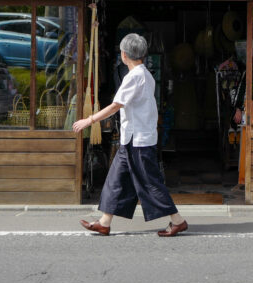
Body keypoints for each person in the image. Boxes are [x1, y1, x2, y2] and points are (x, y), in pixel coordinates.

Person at [72, 33, 187, 237]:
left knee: (150, 182)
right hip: (132, 139)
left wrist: (88, 121)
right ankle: (104, 222)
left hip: (138, 140)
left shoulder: (134, 77)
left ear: (124, 55)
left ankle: (177, 221)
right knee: (116, 180)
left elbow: (116, 106)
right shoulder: (147, 74)